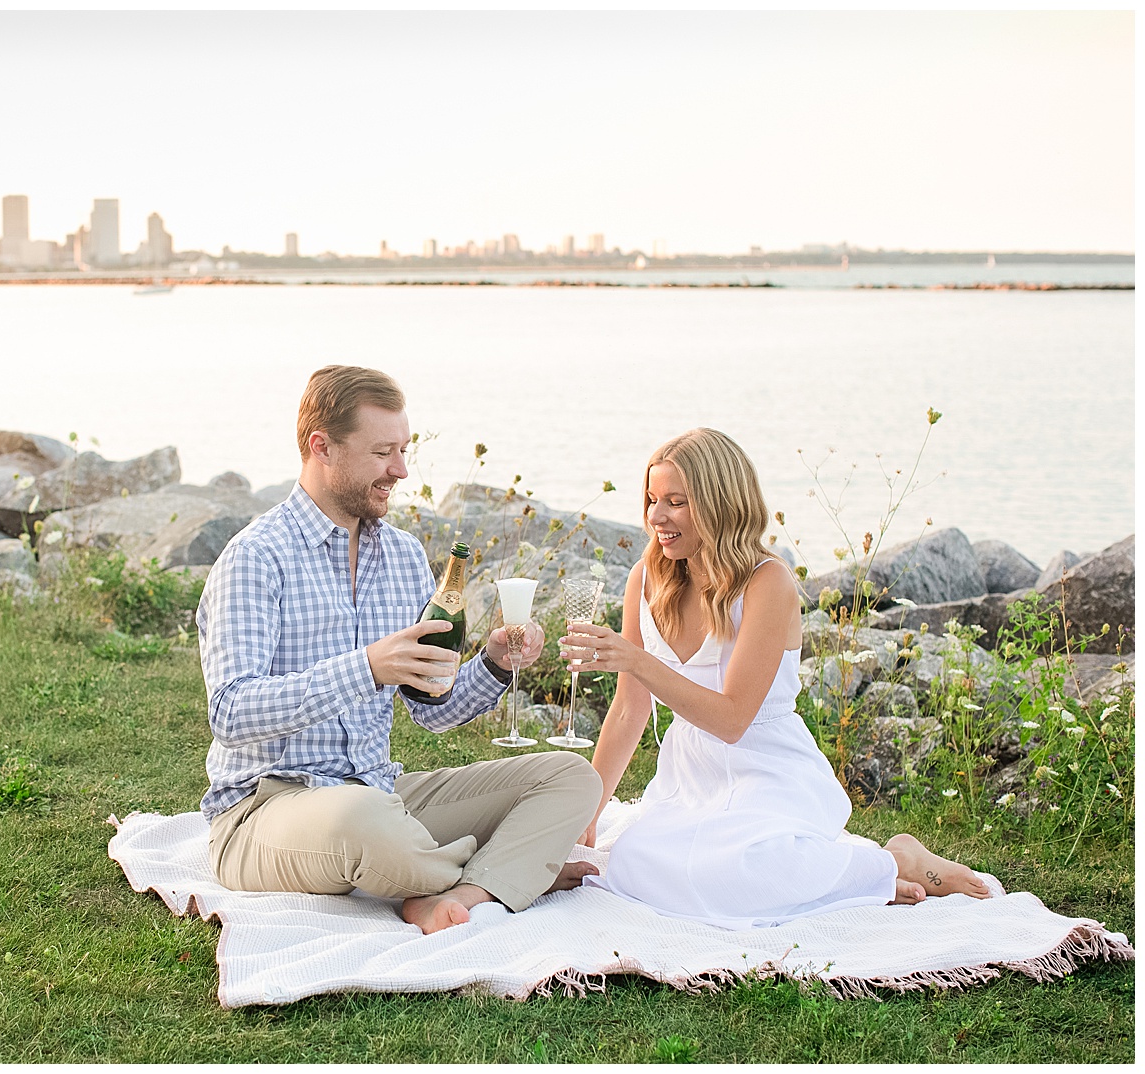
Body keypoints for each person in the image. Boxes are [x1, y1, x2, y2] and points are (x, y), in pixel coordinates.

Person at [197, 365, 602, 935]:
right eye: (383, 452)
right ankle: (510, 872)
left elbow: (431, 708)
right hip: (265, 809)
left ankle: (462, 889)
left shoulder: (405, 556)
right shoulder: (255, 558)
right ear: (323, 448)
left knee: (571, 778)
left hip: (380, 792)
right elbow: (231, 714)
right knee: (364, 820)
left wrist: (491, 664)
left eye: (404, 449)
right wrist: (365, 669)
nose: (401, 470)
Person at [559, 428, 991, 929]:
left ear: (719, 503)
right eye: (653, 499)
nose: (657, 516)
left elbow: (733, 719)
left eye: (676, 502)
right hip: (689, 776)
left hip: (768, 771)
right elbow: (630, 711)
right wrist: (592, 807)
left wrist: (636, 661)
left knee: (740, 872)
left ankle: (896, 862)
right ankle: (853, 878)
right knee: (634, 863)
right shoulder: (647, 578)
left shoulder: (767, 582)